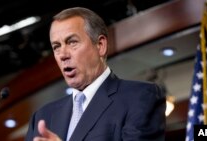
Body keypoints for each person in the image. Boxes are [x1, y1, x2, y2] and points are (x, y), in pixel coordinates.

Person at [25, 7, 166, 141]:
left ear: (100, 45)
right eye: (56, 46)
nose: (63, 55)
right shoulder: (42, 117)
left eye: (72, 42)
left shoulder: (140, 97)